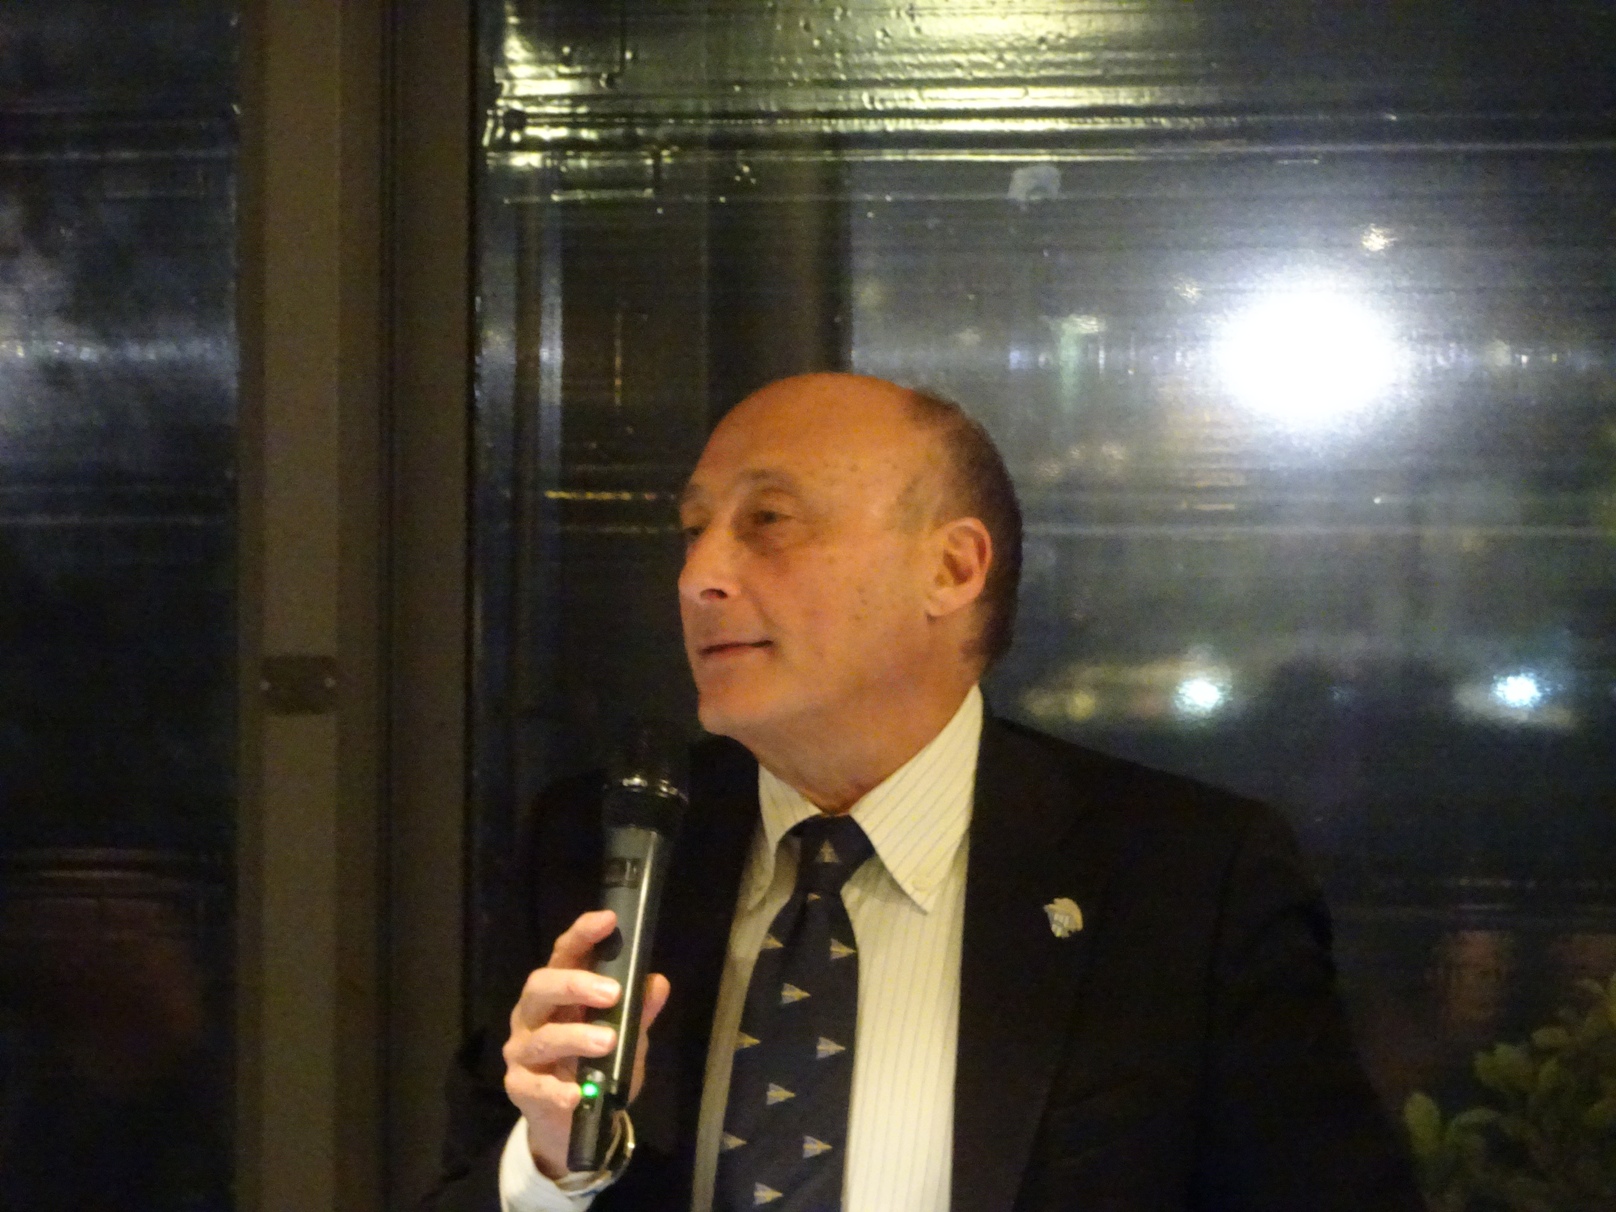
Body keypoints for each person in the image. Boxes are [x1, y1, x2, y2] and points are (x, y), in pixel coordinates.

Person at [424, 373, 1423, 1212]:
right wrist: (547, 1168)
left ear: (950, 568)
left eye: (768, 522)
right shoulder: (610, 844)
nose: (699, 576)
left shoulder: (1183, 880)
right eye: (692, 529)